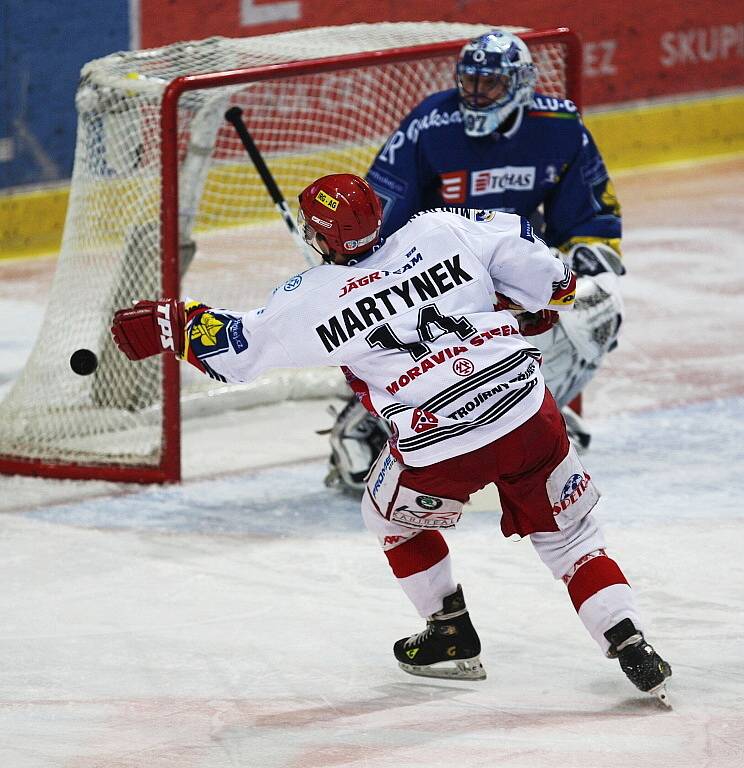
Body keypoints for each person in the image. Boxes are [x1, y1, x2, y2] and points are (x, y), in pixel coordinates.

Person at [111, 173, 671, 705]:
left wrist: (171, 323)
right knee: (572, 540)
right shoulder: (439, 227)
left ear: (320, 236)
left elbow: (237, 349)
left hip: (439, 439)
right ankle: (628, 641)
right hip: (526, 413)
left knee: (389, 517)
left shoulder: (311, 298)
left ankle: (450, 633)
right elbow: (540, 269)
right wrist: (550, 299)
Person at [325, 28, 625, 493]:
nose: (477, 94)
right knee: (401, 326)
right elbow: (380, 216)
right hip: (438, 277)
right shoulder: (430, 125)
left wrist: (588, 256)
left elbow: (590, 215)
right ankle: (373, 421)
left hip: (515, 270)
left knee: (598, 308)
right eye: (470, 82)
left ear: (522, 83)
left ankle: (525, 409)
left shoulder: (561, 127)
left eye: (491, 84)